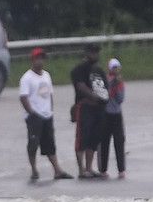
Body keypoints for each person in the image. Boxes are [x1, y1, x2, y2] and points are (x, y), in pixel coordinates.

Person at [18, 47, 72, 182]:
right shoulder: (27, 78)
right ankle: (34, 169)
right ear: (32, 60)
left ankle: (57, 170)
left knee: (50, 144)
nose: (40, 61)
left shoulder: (46, 75)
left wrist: (51, 110)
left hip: (47, 115)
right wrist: (31, 112)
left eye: (42, 58)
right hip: (35, 115)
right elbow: (23, 97)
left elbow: (50, 94)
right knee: (33, 143)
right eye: (37, 58)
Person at [70, 43, 107, 179]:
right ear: (87, 53)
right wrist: (94, 96)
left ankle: (89, 168)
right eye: (92, 52)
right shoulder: (78, 70)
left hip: (98, 107)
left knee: (93, 138)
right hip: (84, 106)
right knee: (82, 138)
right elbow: (80, 87)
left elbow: (104, 87)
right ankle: (81, 170)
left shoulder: (98, 70)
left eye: (97, 52)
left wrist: (103, 98)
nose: (95, 55)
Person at [98, 57, 126, 179]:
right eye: (113, 68)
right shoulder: (105, 80)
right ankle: (103, 169)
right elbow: (103, 96)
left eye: (117, 67)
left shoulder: (120, 82)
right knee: (104, 142)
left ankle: (121, 169)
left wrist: (117, 86)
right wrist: (111, 85)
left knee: (119, 141)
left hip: (116, 113)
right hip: (106, 113)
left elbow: (120, 99)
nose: (115, 70)